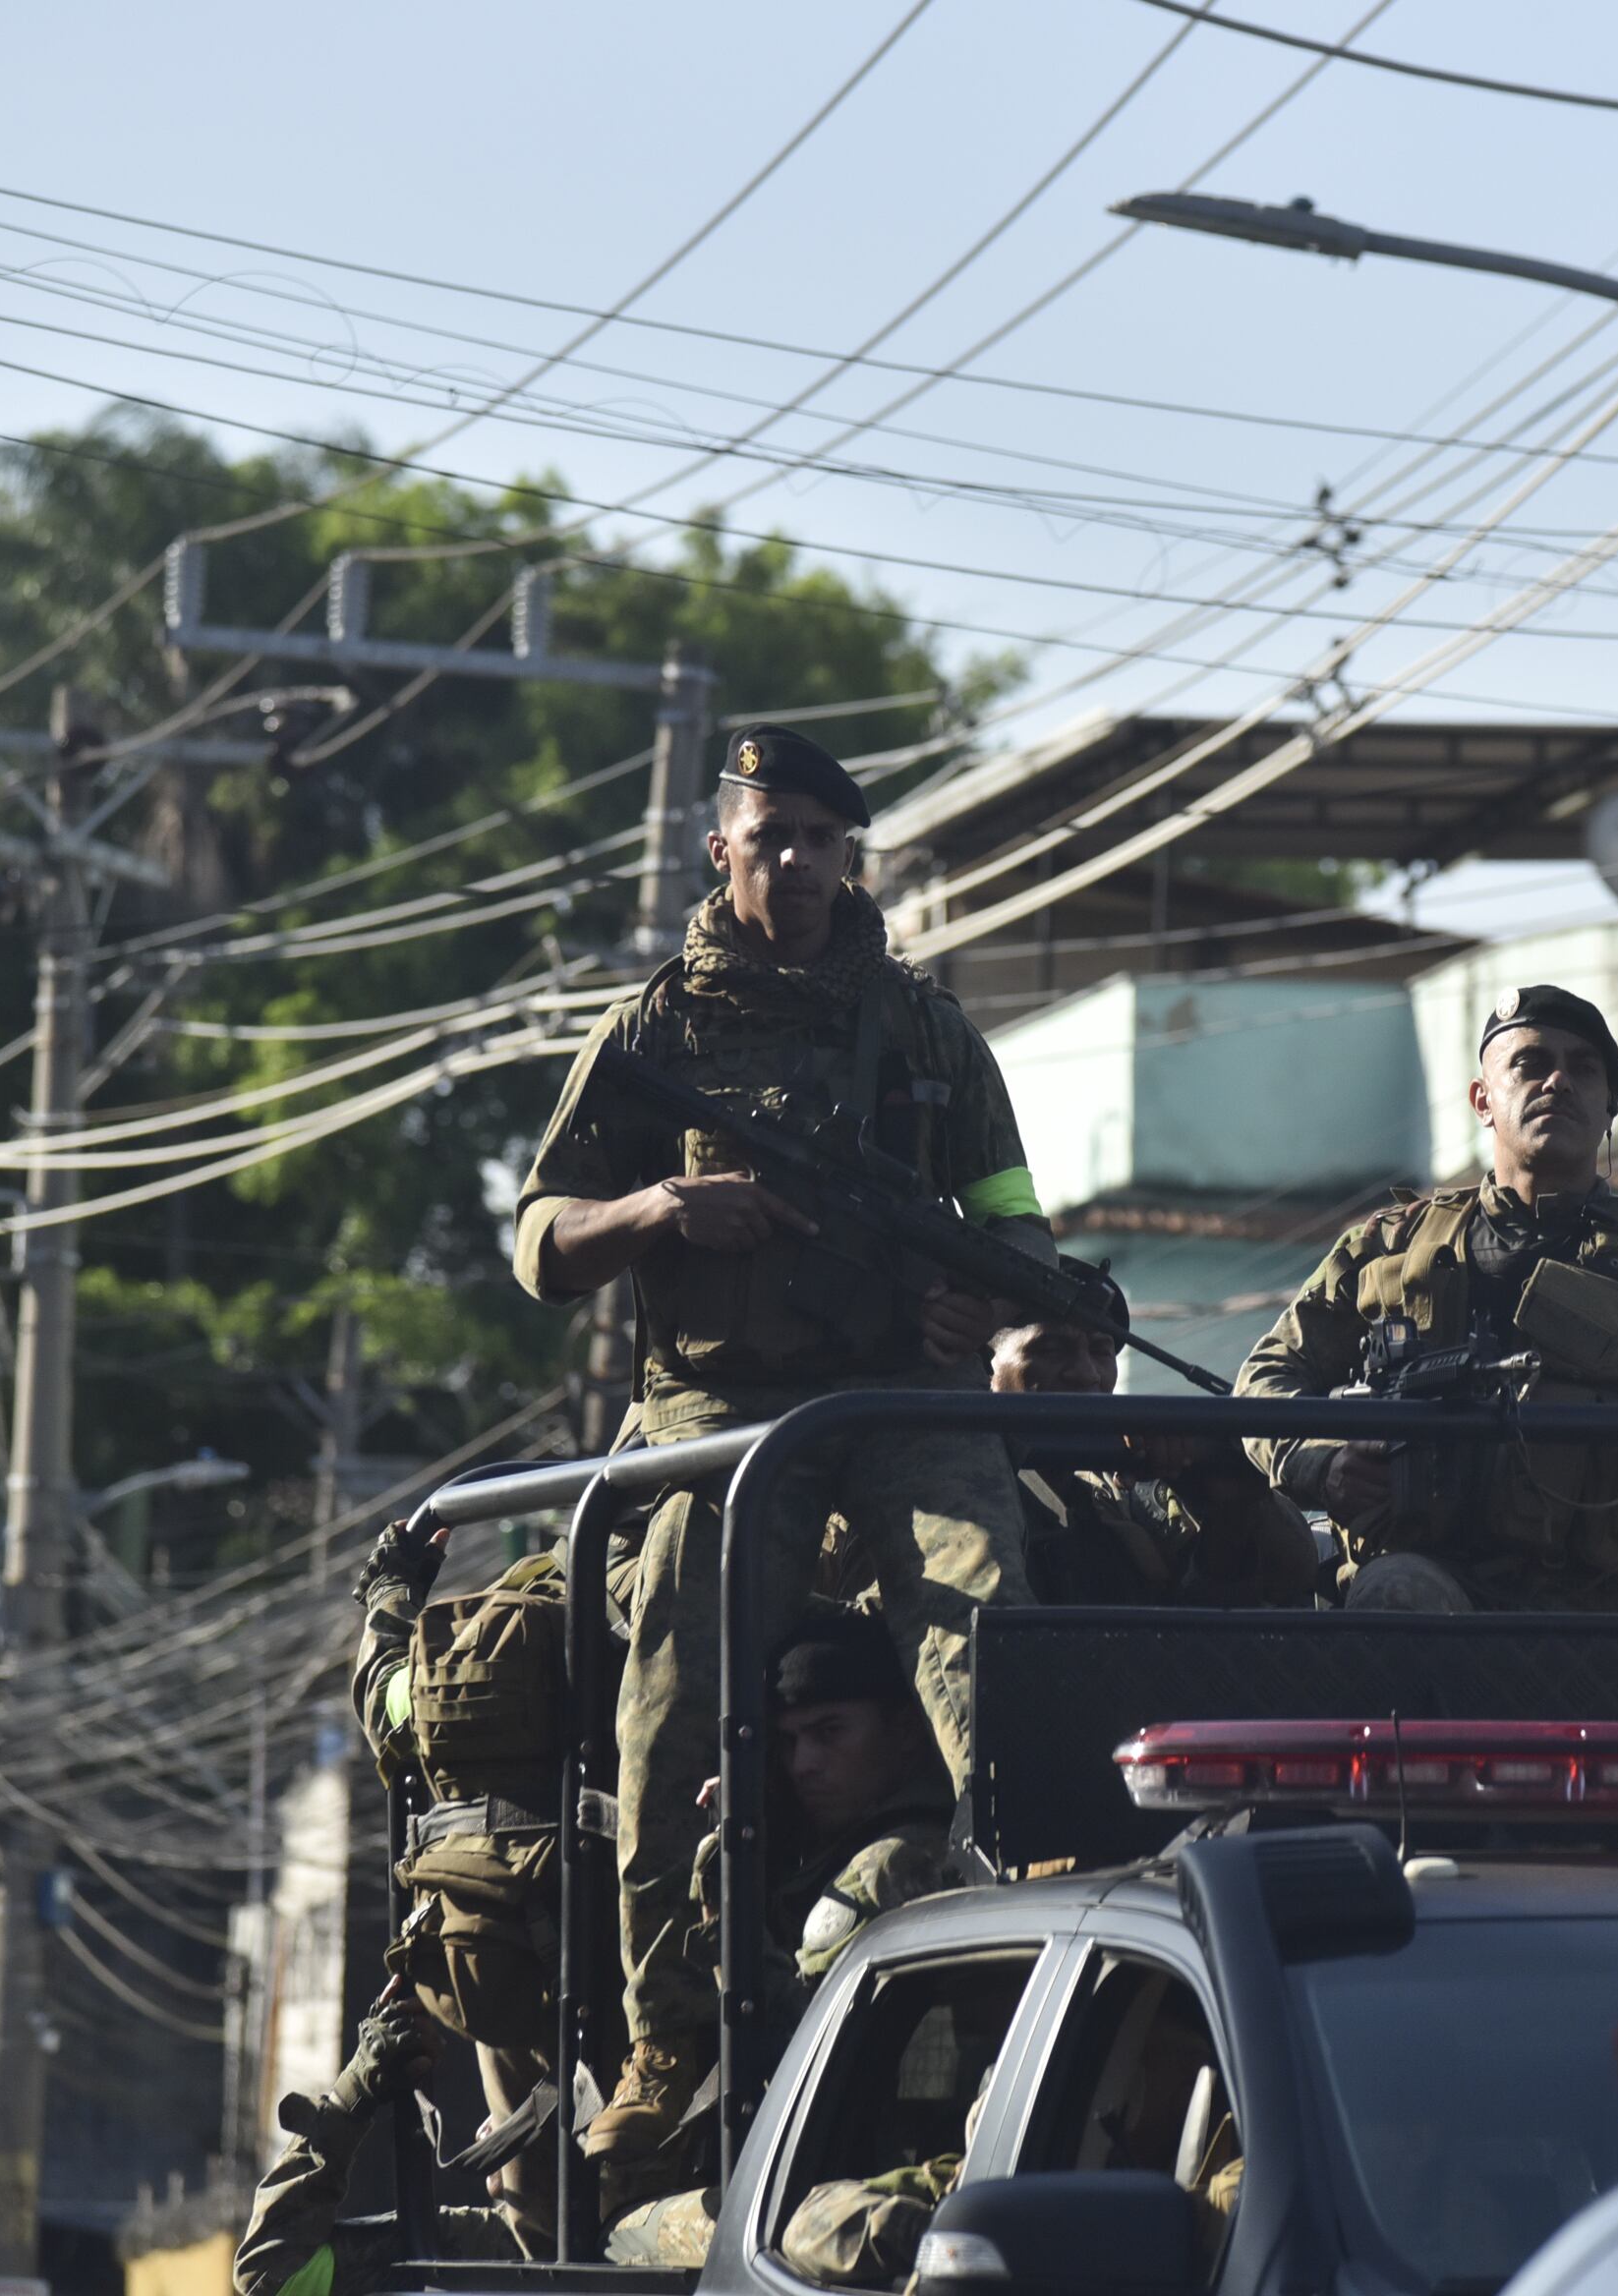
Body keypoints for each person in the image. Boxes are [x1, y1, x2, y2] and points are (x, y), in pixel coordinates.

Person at [509, 722, 1048, 2207]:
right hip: (719, 1409)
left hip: (901, 1397)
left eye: (825, 840)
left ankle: (1035, 1950)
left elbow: (1015, 1222)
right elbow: (540, 1236)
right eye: (774, 837)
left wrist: (987, 1297)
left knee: (990, 1629)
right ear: (722, 846)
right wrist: (662, 1214)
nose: (801, 865)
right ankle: (667, 2047)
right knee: (672, 1697)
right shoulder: (656, 1032)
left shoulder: (928, 1032)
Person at [1236, 984, 1618, 1613]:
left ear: (1608, 1110)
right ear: (1482, 1099)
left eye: (1583, 1069)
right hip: (1435, 1583)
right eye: (1530, 1064)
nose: (1557, 1083)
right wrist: (1319, 1463)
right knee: (1396, 1596)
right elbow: (1264, 1377)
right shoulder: (1386, 1249)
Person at [602, 1615, 970, 2273]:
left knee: (619, 2235)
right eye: (789, 1742)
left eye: (830, 1735)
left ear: (907, 1731)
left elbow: (795, 2044)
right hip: (861, 2182)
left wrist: (723, 1897)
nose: (804, 1764)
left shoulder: (891, 1863)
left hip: (850, 2190)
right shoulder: (869, 1841)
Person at [344, 1516, 565, 2250]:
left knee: (541, 2225)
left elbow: (390, 1700)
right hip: (656, 1992)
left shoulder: (494, 1649)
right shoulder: (694, 1600)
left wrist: (391, 1592)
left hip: (509, 1975)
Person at [992, 1260, 1317, 1607]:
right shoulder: (957, 1478)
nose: (1086, 1374)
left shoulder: (1129, 1488)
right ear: (986, 1367)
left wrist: (1224, 1501)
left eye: (1101, 1351)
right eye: (1052, 1350)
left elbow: (1289, 1574)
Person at [232, 1995, 530, 2296]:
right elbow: (267, 2276)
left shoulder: (518, 2247)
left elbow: (272, 2276)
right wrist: (356, 2089)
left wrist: (359, 2087)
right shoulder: (531, 2242)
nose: (482, 2133)